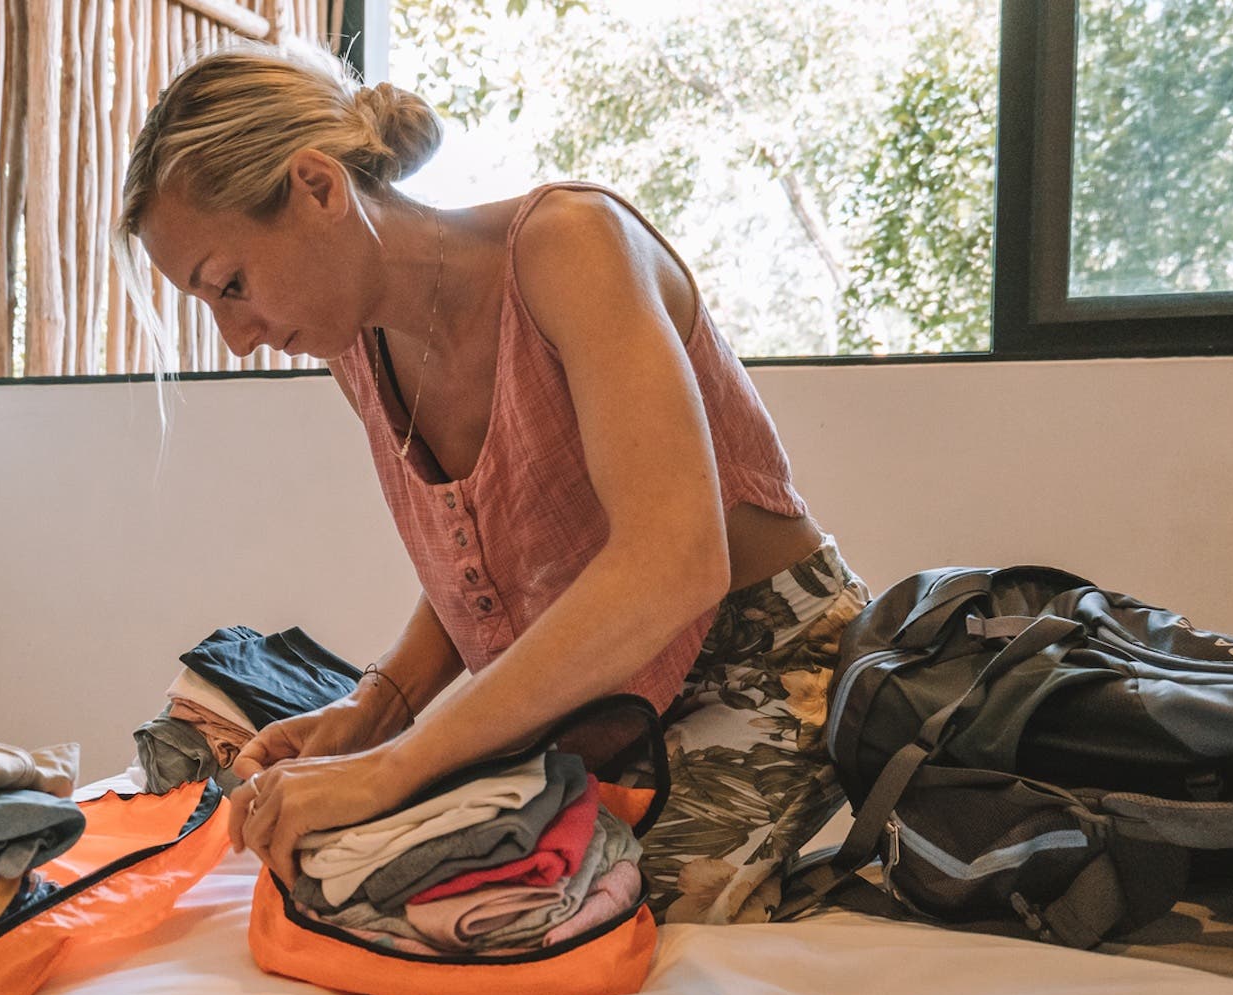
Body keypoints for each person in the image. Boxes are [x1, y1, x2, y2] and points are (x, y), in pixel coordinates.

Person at [119, 44, 869, 924]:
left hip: (766, 657)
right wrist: (376, 709)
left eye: (231, 285)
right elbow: (494, 560)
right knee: (380, 883)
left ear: (319, 187)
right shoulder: (353, 349)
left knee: (573, 915)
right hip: (587, 687)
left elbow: (674, 563)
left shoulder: (570, 246)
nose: (237, 336)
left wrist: (396, 763)